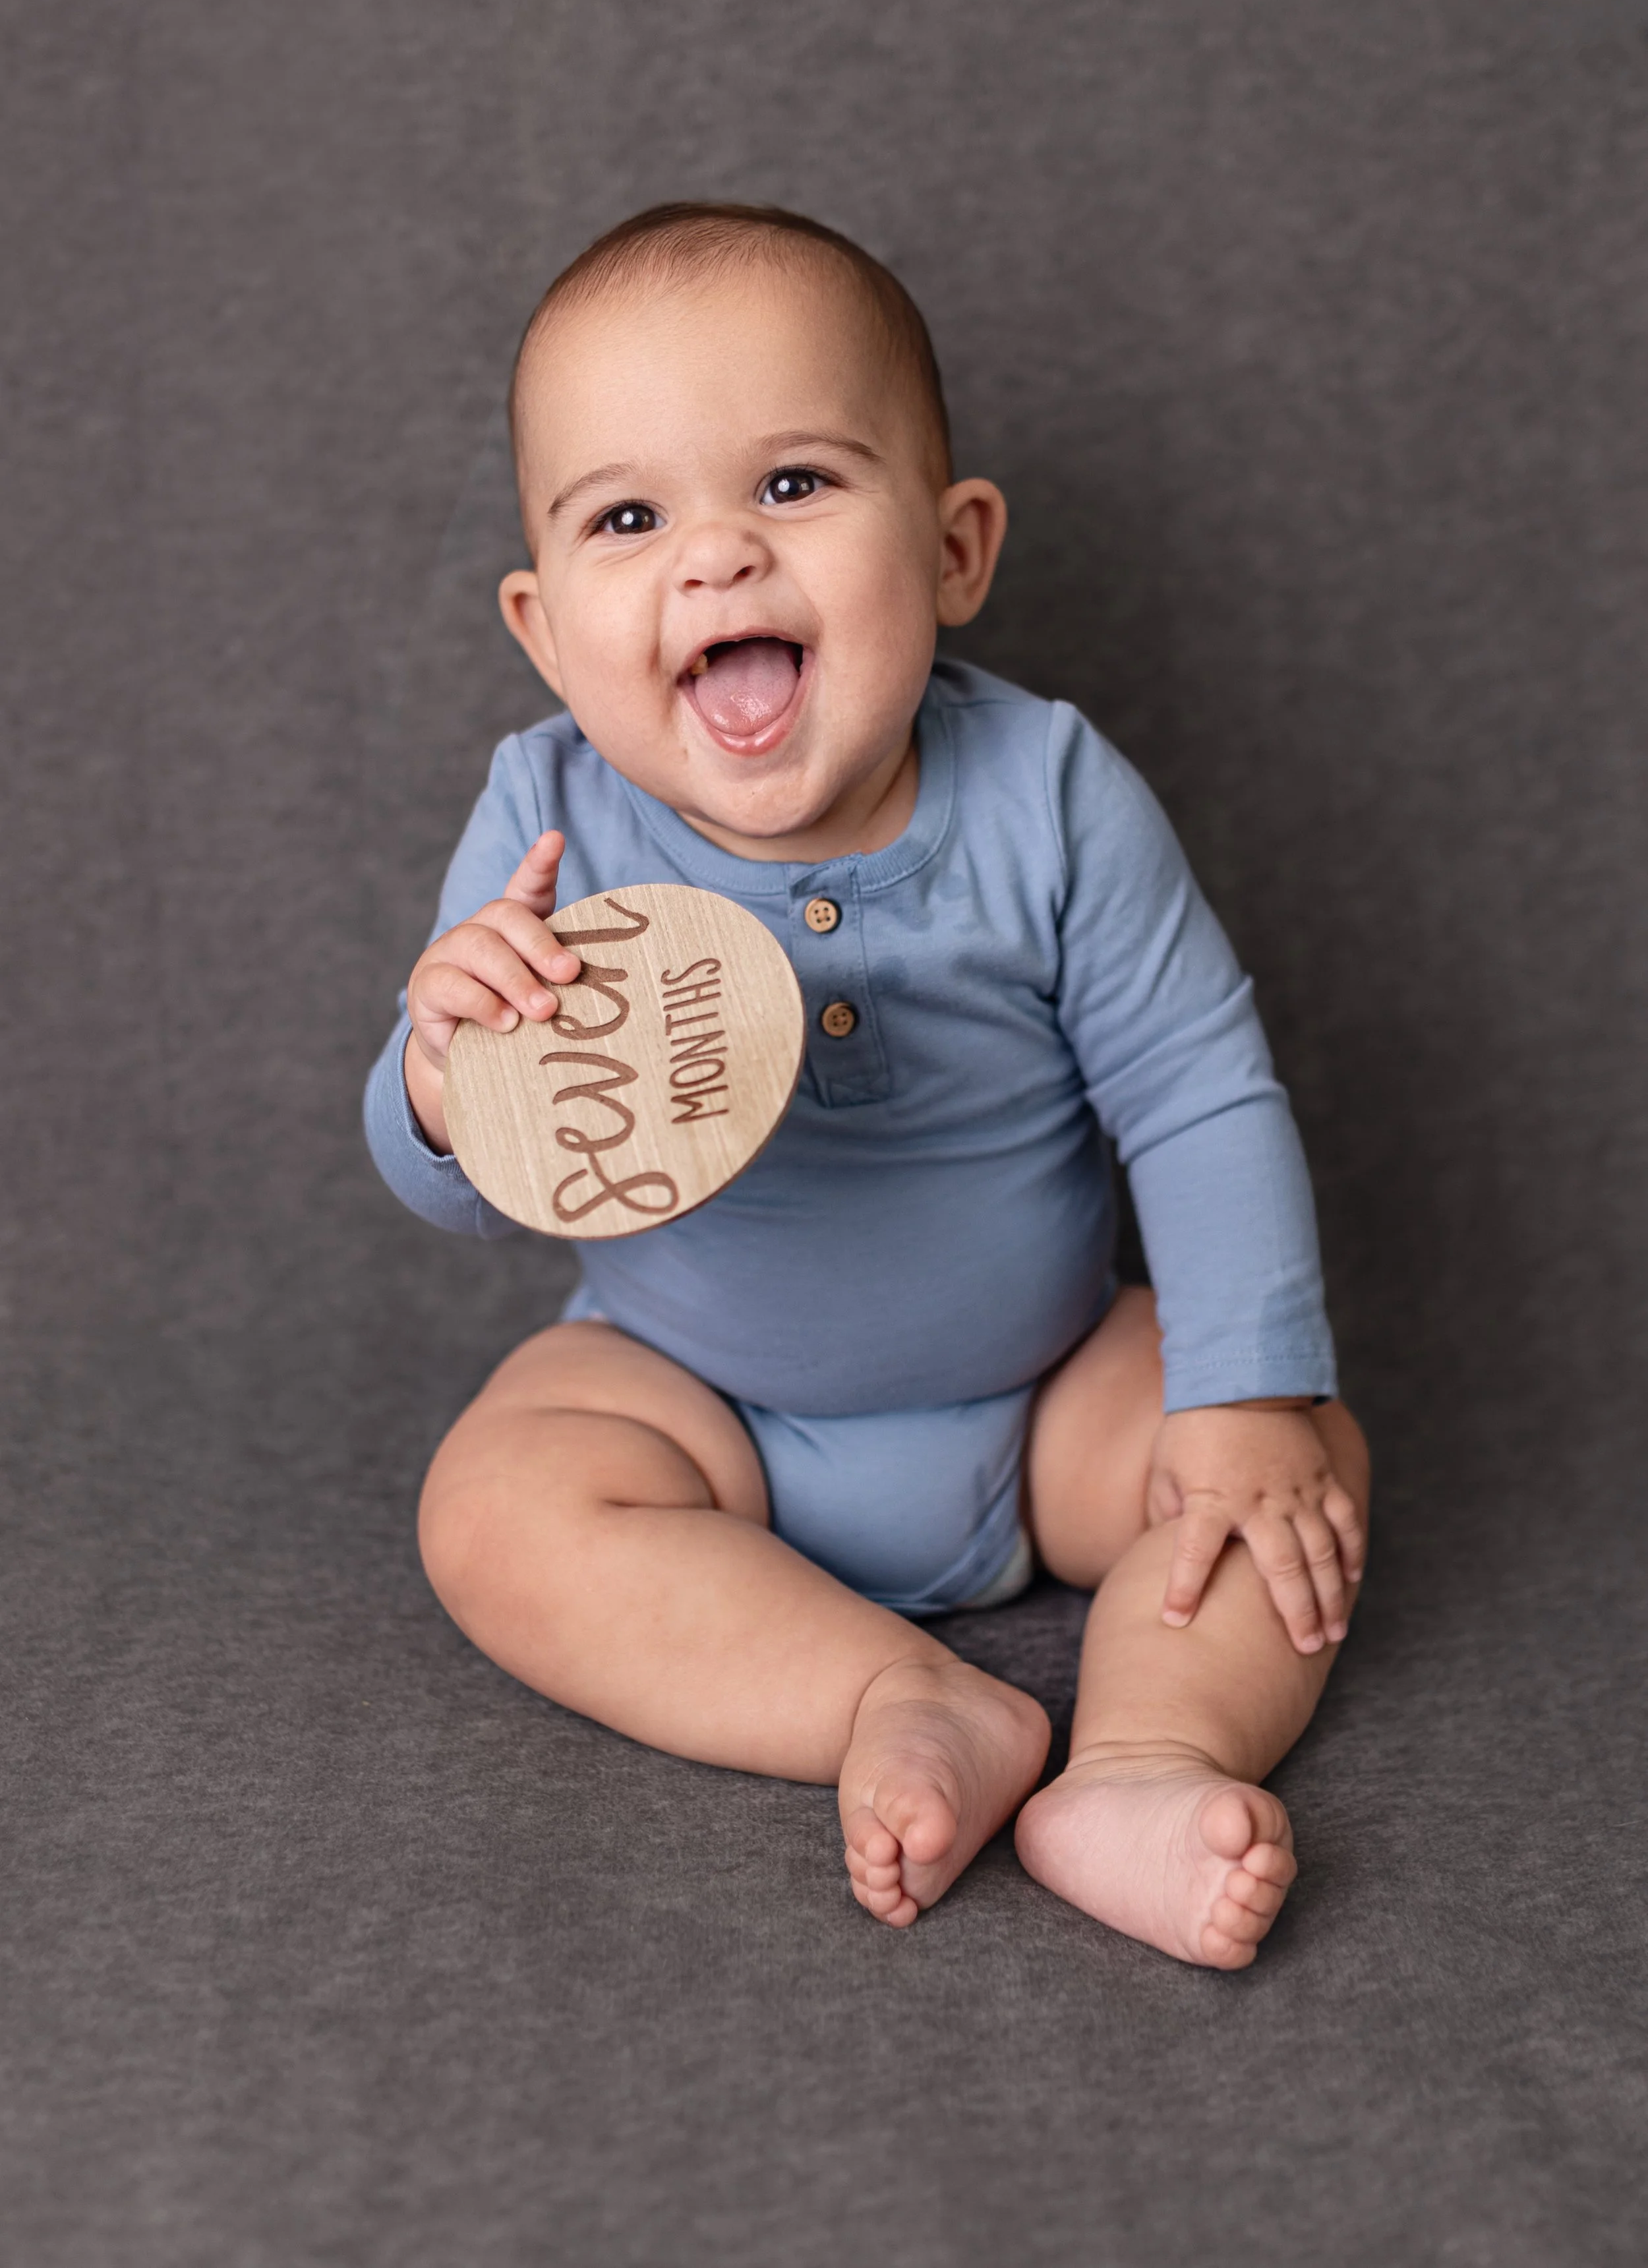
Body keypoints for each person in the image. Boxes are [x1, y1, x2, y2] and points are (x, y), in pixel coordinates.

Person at [364, 202, 1368, 1969]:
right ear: (541, 625)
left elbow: (1197, 1087)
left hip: (1044, 1392)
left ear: (956, 545)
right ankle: (893, 1697)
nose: (714, 562)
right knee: (498, 1501)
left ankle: (1139, 1758)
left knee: (1283, 1448)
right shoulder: (543, 822)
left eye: (796, 487)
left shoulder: (1048, 791)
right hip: (703, 1411)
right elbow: (464, 1172)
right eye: (627, 516)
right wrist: (447, 1073)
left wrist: (1240, 1390)